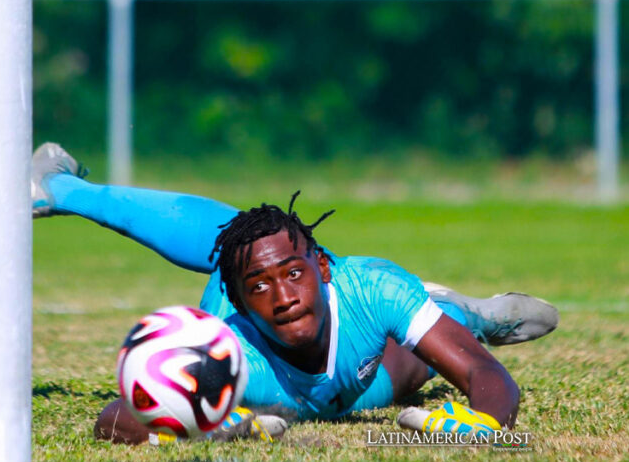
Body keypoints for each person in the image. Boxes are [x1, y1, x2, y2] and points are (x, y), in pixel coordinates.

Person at [30, 143, 559, 444]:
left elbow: (482, 375)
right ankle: (60, 189)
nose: (281, 295)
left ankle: (467, 315)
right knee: (240, 243)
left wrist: (486, 424)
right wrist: (193, 420)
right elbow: (116, 416)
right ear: (236, 303)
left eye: (294, 274)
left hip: (365, 345)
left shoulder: (371, 286)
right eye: (259, 288)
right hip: (299, 359)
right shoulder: (226, 349)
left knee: (416, 364)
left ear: (323, 267)